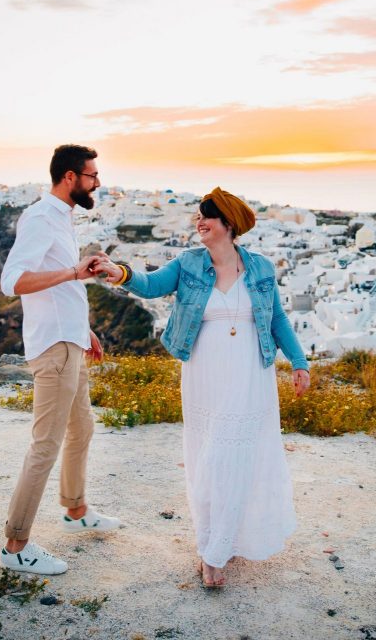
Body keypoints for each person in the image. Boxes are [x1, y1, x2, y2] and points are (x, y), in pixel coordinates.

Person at [92, 186, 311, 589]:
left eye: (206, 216)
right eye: (197, 216)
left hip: (249, 373)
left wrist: (299, 362)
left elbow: (278, 318)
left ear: (228, 224)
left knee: (236, 456)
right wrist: (117, 272)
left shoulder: (260, 268)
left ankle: (219, 550)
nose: (199, 222)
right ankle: (211, 543)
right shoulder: (189, 263)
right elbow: (150, 285)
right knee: (209, 457)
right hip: (205, 372)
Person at [0, 144, 122, 576]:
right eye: (92, 175)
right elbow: (12, 281)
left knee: (82, 428)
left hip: (70, 340)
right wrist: (74, 272)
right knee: (45, 444)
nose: (97, 182)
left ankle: (76, 511)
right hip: (52, 347)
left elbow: (61, 287)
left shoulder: (64, 217)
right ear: (70, 177)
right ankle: (16, 545)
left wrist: (82, 326)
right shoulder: (40, 217)